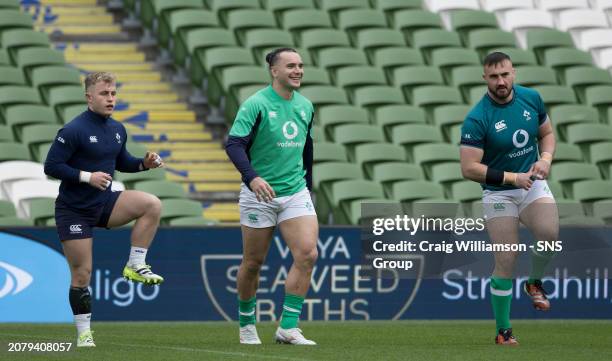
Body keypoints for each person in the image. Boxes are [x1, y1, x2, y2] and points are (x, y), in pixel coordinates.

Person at [44, 72, 165, 347]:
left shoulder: (117, 129)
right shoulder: (73, 130)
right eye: (104, 94)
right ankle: (84, 333)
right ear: (89, 97)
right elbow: (51, 167)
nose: (110, 98)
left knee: (152, 204)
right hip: (74, 210)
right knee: (82, 274)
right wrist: (88, 176)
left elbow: (123, 162)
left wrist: (145, 164)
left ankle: (135, 265)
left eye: (113, 93)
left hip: (104, 202)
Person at [459, 52, 558, 345]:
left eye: (505, 74)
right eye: (494, 76)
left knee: (550, 235)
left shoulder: (531, 98)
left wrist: (546, 159)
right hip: (499, 192)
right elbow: (469, 168)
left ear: (513, 72)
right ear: (485, 78)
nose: (501, 82)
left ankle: (534, 281)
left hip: (533, 184)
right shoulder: (478, 118)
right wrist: (513, 178)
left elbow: (547, 133)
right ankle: (504, 331)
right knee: (506, 257)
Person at [225, 48, 318, 345]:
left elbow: (306, 149)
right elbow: (234, 145)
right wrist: (252, 178)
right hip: (258, 194)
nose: (298, 70)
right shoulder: (256, 104)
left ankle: (288, 327)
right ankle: (246, 323)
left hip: (294, 192)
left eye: (301, 65)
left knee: (308, 254)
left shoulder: (306, 105)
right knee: (253, 263)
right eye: (291, 65)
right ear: (274, 71)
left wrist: (308, 187)